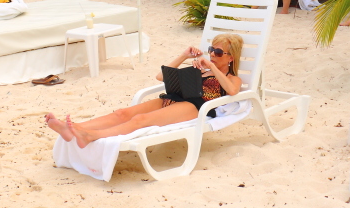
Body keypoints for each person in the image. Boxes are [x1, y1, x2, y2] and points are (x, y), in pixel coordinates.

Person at [45, 34, 243, 148]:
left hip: (195, 106)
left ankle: (90, 135)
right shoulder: (201, 69)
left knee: (140, 121)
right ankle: (73, 128)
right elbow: (160, 77)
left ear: (231, 58)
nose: (212, 54)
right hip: (174, 98)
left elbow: (232, 91)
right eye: (211, 50)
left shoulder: (232, 78)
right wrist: (184, 56)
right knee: (122, 113)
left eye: (218, 52)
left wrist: (211, 66)